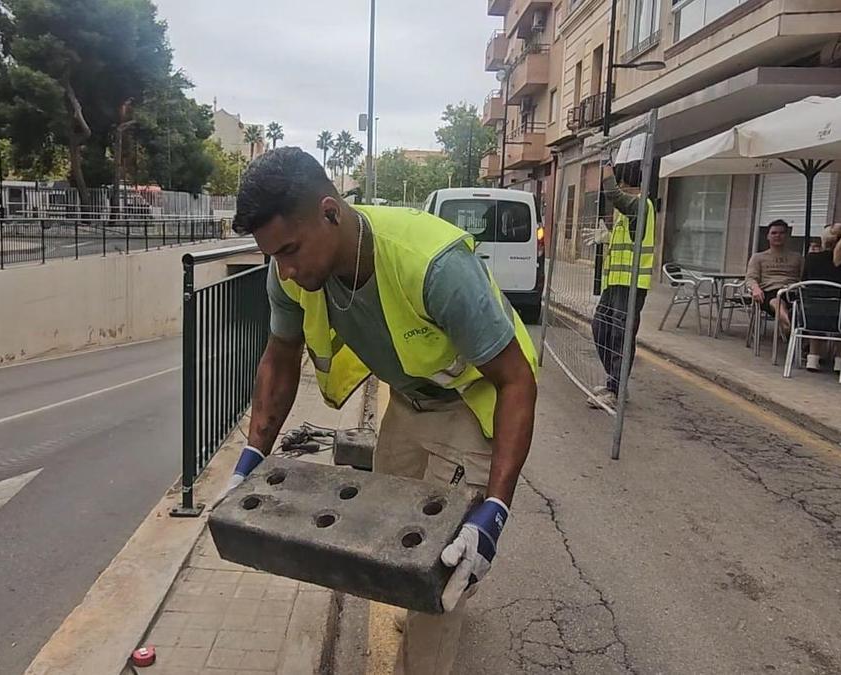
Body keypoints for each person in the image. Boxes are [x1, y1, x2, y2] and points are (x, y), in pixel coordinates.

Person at [215, 148, 539, 675]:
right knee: (391, 539)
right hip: (406, 402)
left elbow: (516, 379)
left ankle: (433, 627)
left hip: (472, 403)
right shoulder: (288, 273)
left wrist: (495, 511)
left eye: (291, 250)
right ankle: (428, 595)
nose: (288, 271)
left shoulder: (434, 265)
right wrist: (251, 455)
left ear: (329, 211)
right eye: (274, 255)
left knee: (441, 566)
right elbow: (279, 358)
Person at [582, 156, 656, 409]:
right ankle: (615, 382)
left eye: (621, 179)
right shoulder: (630, 210)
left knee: (620, 336)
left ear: (627, 180)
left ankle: (615, 389)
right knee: (600, 328)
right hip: (614, 283)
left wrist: (605, 163)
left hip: (631, 286)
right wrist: (608, 236)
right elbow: (630, 238)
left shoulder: (641, 205)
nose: (619, 186)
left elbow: (612, 192)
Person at [801, 223, 841, 372]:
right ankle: (839, 361)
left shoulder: (811, 258)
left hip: (810, 314)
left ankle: (812, 358)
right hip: (840, 314)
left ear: (824, 240)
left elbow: (804, 281)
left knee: (817, 306)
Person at [745, 220, 802, 337]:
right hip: (768, 293)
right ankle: (789, 326)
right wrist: (755, 288)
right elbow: (751, 277)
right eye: (774, 233)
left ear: (787, 236)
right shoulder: (758, 257)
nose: (777, 236)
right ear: (768, 236)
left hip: (793, 291)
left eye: (781, 233)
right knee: (777, 301)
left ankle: (795, 332)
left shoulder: (798, 258)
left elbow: (804, 277)